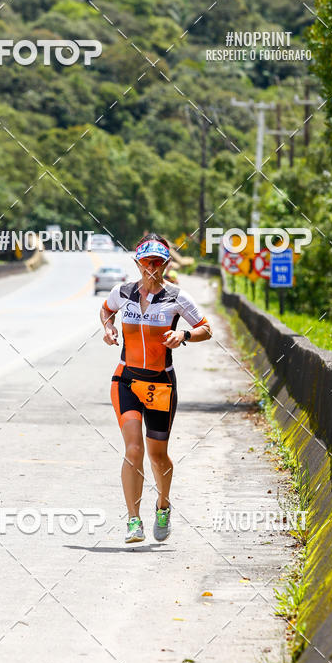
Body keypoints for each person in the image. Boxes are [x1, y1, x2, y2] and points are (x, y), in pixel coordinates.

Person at [100, 233, 212, 544]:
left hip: (161, 383)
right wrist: (108, 327)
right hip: (126, 379)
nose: (152, 268)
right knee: (133, 449)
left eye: (158, 263)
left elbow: (206, 328)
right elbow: (106, 309)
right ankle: (133, 520)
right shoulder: (122, 292)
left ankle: (163, 506)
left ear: (165, 264)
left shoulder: (176, 297)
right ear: (137, 263)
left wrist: (184, 336)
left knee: (157, 455)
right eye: (147, 262)